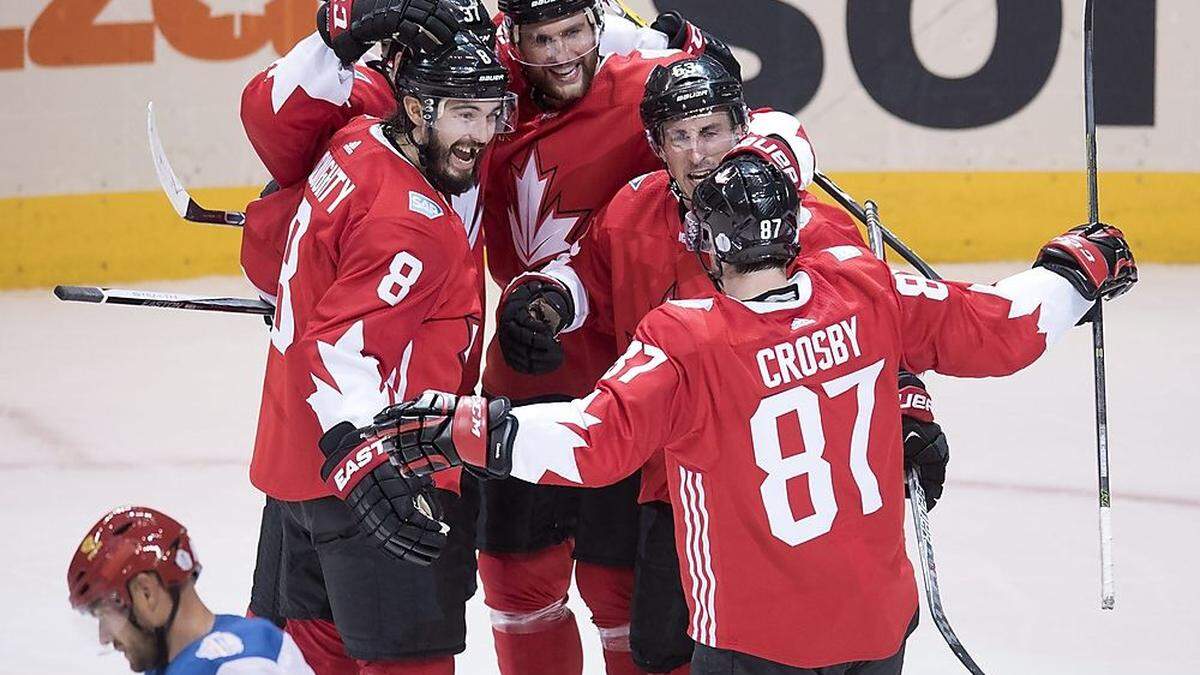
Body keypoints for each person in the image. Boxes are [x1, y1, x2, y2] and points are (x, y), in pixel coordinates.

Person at [370, 152, 1137, 673]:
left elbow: (591, 443)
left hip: (753, 640)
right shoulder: (865, 289)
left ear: (704, 243)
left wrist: (458, 425)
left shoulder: (685, 340)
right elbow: (1000, 325)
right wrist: (1078, 269)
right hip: (876, 627)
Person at [496, 55, 950, 673]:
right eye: (678, 137)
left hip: (774, 492)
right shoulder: (633, 209)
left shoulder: (799, 225)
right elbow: (591, 276)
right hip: (676, 480)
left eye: (710, 131)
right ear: (655, 145)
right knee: (663, 644)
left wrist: (906, 397)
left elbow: (874, 319)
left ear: (742, 130)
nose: (698, 152)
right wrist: (550, 300)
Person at [246, 31, 515, 675]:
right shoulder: (413, 222)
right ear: (418, 109)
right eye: (462, 113)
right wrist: (368, 468)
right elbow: (339, 354)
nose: (479, 135)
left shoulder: (356, 143)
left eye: (490, 114)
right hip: (379, 480)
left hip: (296, 472)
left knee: (309, 663)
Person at [68, 506, 314, 674]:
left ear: (146, 592)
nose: (105, 637)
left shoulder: (239, 666)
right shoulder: (177, 660)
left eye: (105, 615)